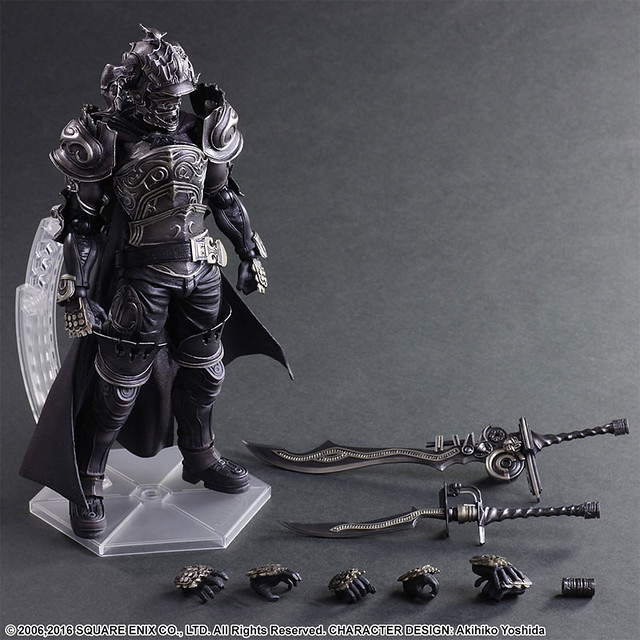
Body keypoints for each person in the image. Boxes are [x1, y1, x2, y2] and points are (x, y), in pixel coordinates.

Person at [20, 25, 290, 539]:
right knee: (120, 382)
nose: (171, 107)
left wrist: (248, 251)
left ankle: (200, 456)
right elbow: (82, 226)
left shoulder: (200, 129)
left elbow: (224, 199)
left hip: (200, 270)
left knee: (207, 372)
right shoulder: (104, 140)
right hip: (141, 277)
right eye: (161, 98)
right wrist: (77, 291)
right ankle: (90, 478)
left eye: (176, 97)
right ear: (137, 92)